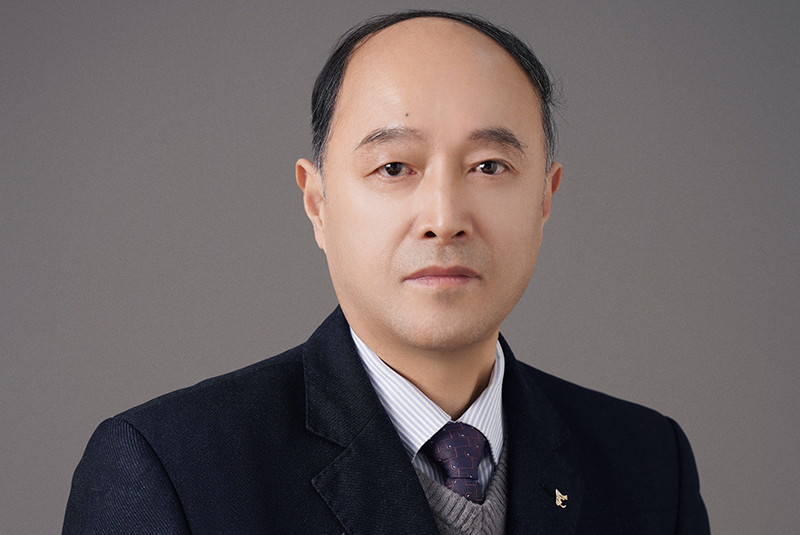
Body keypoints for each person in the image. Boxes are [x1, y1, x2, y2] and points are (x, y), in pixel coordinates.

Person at [63, 10, 710, 534]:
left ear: (545, 197)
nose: (444, 219)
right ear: (317, 202)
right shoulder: (171, 469)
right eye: (394, 167)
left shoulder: (650, 463)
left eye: (489, 166)